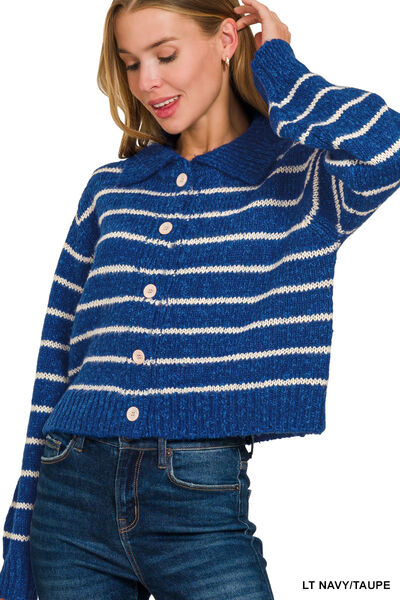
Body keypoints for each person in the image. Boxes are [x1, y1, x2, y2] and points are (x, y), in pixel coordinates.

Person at [1, 0, 399, 598]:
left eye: (165, 55)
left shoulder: (303, 182)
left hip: (199, 501)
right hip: (69, 498)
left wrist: (280, 66)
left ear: (226, 41)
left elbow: (387, 145)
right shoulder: (111, 190)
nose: (147, 82)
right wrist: (18, 541)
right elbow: (54, 363)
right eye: (131, 63)